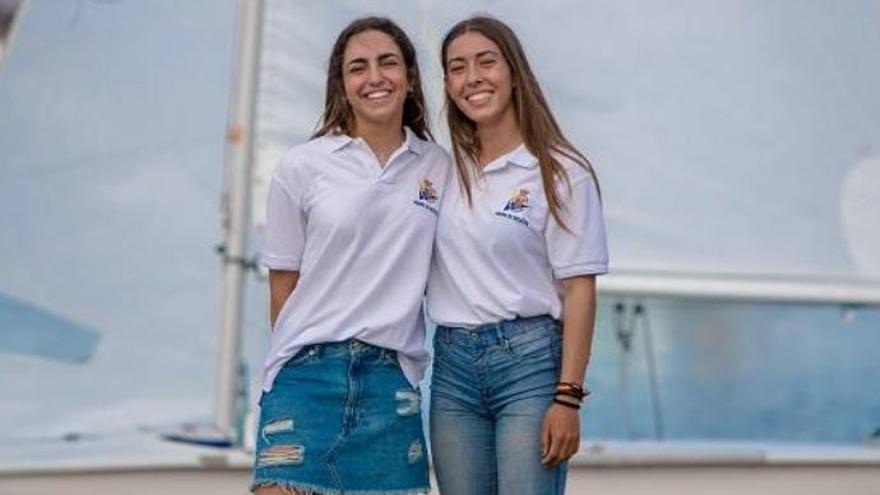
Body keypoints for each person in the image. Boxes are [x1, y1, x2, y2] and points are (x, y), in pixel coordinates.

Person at [253, 16, 449, 495]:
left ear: (409, 77)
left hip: (391, 385)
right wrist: (299, 356)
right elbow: (283, 287)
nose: (374, 77)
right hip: (305, 380)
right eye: (357, 68)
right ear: (342, 85)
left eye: (388, 63)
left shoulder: (439, 168)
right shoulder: (302, 166)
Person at [426, 16, 609, 494]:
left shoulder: (561, 172)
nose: (473, 78)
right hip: (452, 368)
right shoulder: (443, 170)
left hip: (529, 365)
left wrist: (568, 398)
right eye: (457, 68)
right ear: (447, 84)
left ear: (514, 72)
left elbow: (579, 291)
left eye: (487, 62)